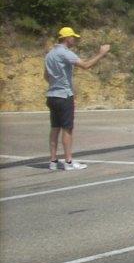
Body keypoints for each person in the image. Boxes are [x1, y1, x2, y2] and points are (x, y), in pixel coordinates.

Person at [44, 26, 111, 171]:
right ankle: (68, 161)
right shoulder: (65, 53)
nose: (74, 40)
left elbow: (46, 76)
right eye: (73, 37)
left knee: (54, 128)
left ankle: (53, 161)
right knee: (67, 129)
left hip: (52, 95)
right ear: (67, 38)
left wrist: (56, 83)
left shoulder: (49, 54)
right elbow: (85, 65)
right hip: (64, 96)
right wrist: (101, 53)